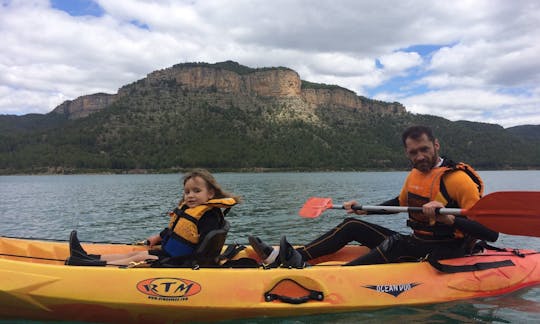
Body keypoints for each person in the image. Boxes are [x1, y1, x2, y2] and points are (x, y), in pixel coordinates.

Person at [249, 125, 499, 268]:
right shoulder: (414, 174)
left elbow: (490, 232)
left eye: (424, 149)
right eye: (413, 152)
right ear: (407, 153)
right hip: (418, 241)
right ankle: (293, 258)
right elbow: (399, 204)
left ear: (436, 145)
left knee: (396, 244)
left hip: (446, 250)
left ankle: (327, 276)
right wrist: (364, 209)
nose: (419, 156)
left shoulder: (457, 180)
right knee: (352, 224)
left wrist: (450, 220)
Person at [66, 169, 240, 266]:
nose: (190, 196)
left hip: (179, 261)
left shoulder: (208, 216)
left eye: (196, 191)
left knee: (137, 258)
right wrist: (159, 237)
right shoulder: (191, 210)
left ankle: (87, 264)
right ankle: (87, 256)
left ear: (210, 193)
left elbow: (202, 250)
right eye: (187, 192)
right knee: (136, 253)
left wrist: (182, 262)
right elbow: (177, 231)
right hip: (170, 253)